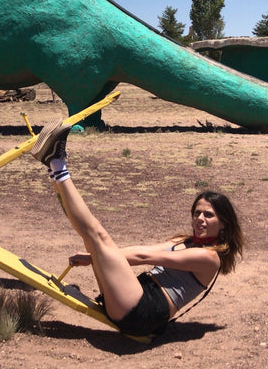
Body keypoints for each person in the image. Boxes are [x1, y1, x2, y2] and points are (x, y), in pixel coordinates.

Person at [29, 119, 243, 338]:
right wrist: (94, 255)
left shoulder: (210, 258)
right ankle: (54, 167)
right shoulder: (186, 241)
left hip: (144, 311)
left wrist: (95, 257)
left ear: (223, 222)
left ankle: (57, 162)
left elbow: (144, 256)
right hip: (135, 295)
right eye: (197, 213)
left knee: (98, 234)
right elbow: (145, 249)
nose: (200, 219)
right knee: (91, 238)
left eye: (208, 215)